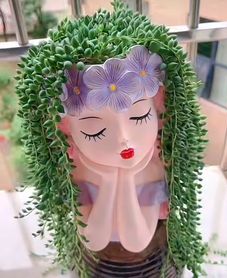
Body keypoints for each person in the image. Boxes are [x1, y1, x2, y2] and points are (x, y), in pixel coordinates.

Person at [58, 45, 175, 276]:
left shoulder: (152, 168)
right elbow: (93, 241)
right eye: (96, 131)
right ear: (68, 132)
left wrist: (128, 177)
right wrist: (110, 181)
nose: (124, 139)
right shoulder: (78, 172)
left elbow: (137, 242)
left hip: (149, 261)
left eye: (140, 117)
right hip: (96, 264)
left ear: (158, 112)